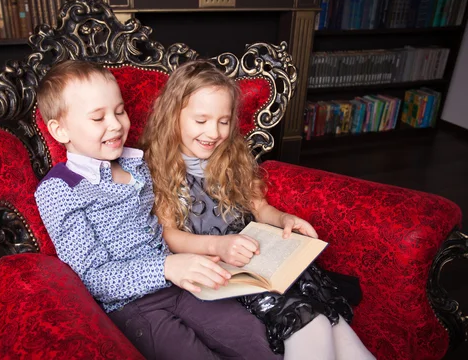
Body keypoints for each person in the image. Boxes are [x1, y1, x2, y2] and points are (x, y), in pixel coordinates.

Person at [33, 60, 282, 360]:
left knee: (252, 338)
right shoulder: (59, 190)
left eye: (120, 111)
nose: (115, 125)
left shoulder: (136, 162)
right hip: (132, 306)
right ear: (60, 130)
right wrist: (165, 267)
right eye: (98, 118)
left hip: (183, 284)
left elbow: (173, 210)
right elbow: (91, 278)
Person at [141, 60, 376, 360]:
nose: (213, 132)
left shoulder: (231, 156)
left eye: (223, 121)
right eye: (201, 121)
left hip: (264, 260)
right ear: (173, 116)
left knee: (335, 324)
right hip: (229, 277)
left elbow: (259, 206)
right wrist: (218, 245)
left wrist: (283, 219)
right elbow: (168, 234)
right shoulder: (157, 169)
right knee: (311, 321)